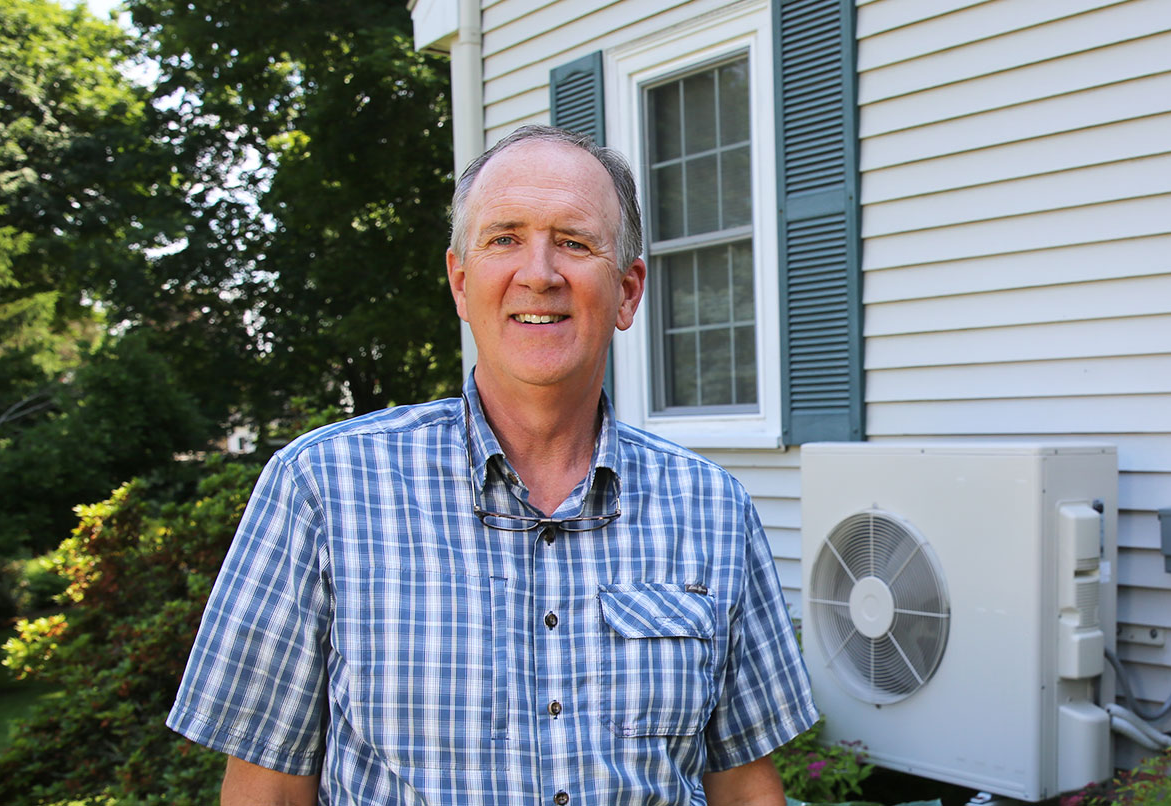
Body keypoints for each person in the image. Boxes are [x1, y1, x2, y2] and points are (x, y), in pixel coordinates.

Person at [167, 125, 817, 806]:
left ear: (627, 291)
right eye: (505, 238)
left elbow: (744, 785)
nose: (539, 273)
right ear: (460, 281)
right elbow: (266, 792)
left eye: (574, 241)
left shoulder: (713, 508)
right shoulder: (324, 489)